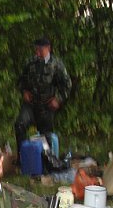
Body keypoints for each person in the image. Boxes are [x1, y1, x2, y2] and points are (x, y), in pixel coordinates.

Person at [14, 37, 72, 167]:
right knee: (20, 124)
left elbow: (67, 84)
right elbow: (21, 80)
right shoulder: (31, 62)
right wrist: (24, 91)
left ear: (48, 49)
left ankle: (46, 162)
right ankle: (22, 158)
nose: (37, 53)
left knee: (46, 136)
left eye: (40, 50)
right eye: (36, 50)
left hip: (46, 106)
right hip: (30, 104)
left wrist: (58, 99)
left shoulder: (56, 64)